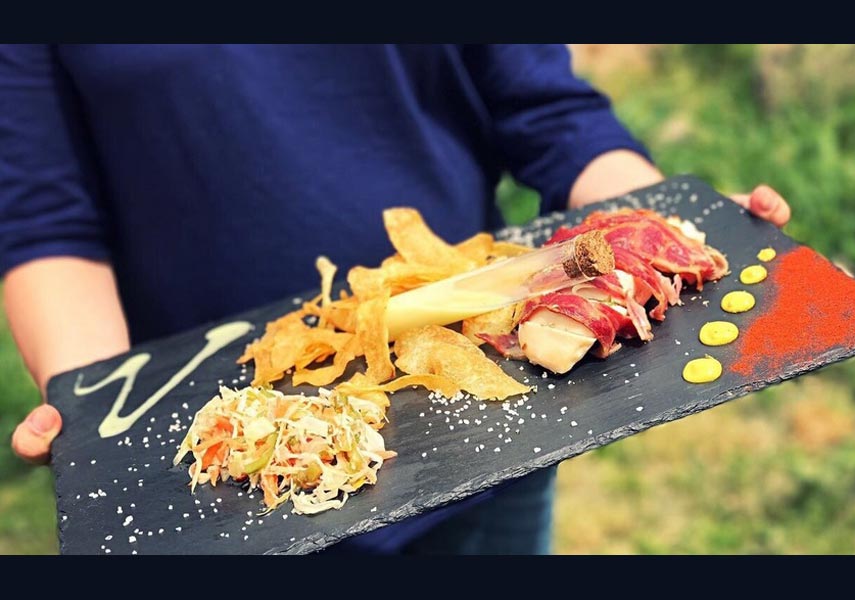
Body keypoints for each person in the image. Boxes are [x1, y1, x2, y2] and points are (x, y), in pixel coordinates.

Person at [1, 44, 790, 554]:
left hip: (483, 443)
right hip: (229, 488)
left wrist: (659, 231)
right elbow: (44, 219)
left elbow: (546, 111)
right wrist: (97, 410)